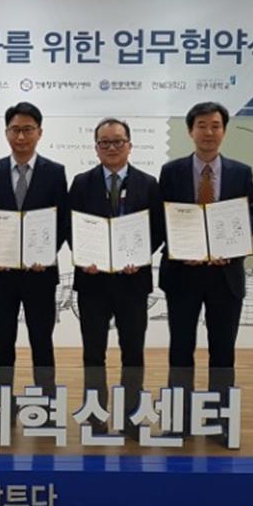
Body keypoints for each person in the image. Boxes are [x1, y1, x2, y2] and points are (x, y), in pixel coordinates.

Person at [158, 102, 253, 428]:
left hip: (225, 275)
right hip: (182, 274)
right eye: (201, 125)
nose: (209, 132)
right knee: (180, 349)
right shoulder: (171, 171)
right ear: (190, 131)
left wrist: (232, 244)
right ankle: (178, 420)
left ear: (224, 131)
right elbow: (162, 217)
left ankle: (221, 421)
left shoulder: (240, 172)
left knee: (223, 352)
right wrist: (179, 247)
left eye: (215, 125)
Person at [68, 117, 164, 436]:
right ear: (96, 148)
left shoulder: (148, 184)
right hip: (92, 282)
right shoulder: (81, 183)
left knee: (132, 351)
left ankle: (131, 416)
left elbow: (158, 229)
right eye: (105, 142)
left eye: (118, 141)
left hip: (132, 282)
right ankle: (95, 416)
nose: (112, 147)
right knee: (93, 353)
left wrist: (140, 256)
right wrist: (84, 256)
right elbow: (71, 226)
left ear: (129, 145)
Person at [0, 101, 69, 391]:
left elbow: (62, 220)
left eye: (28, 129)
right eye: (15, 129)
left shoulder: (55, 172)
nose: (21, 136)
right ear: (6, 133)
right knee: (2, 340)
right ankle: (2, 400)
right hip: (0, 273)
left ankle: (47, 400)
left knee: (42, 340)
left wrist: (46, 253)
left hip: (40, 272)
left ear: (39, 132)